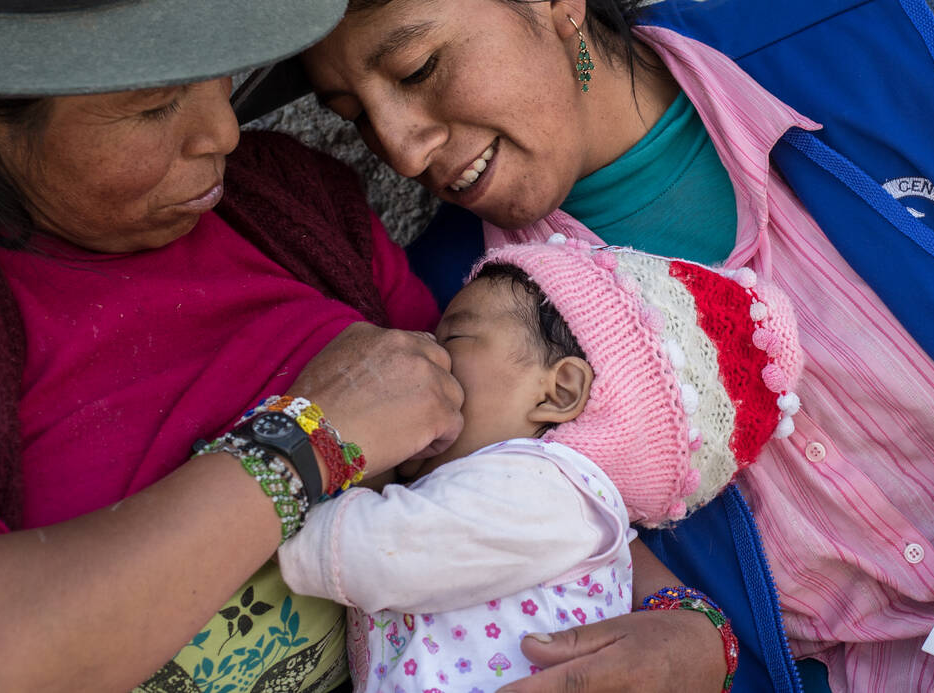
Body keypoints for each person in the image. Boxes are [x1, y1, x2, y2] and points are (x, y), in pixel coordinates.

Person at [288, 0, 934, 689]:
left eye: (417, 65)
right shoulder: (456, 322)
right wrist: (695, 635)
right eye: (354, 114)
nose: (401, 148)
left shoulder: (863, 44)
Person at [0, 2, 488, 690]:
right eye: (150, 105)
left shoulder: (293, 203)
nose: (221, 132)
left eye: (220, 70)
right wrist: (307, 441)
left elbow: (487, 452)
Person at [279, 239, 804, 691]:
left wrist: (297, 457)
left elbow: (366, 554)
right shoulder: (552, 504)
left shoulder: (542, 490)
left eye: (451, 339)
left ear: (560, 391)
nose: (420, 350)